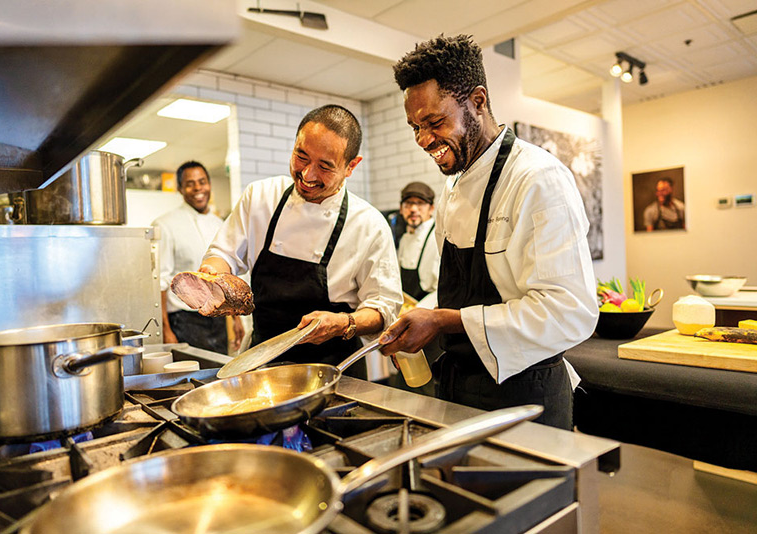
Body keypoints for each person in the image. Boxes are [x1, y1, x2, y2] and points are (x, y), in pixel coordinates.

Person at [380, 35, 598, 429]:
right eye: (415, 127)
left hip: (525, 394)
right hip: (459, 386)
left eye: (434, 122)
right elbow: (459, 292)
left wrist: (444, 322)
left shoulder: (537, 179)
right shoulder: (451, 188)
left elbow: (569, 313)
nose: (423, 140)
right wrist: (421, 324)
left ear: (478, 102)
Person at [199, 105, 402, 378]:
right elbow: (223, 255)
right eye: (301, 156)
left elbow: (383, 308)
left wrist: (343, 323)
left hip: (336, 374)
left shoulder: (369, 224)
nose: (307, 175)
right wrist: (211, 276)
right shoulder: (260, 197)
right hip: (262, 367)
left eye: (325, 166)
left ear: (351, 166)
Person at [153, 161, 244, 353]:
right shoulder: (165, 225)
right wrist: (166, 330)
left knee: (219, 368)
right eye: (190, 183)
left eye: (202, 182)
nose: (197, 188)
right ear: (180, 189)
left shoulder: (219, 223)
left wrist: (236, 319)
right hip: (184, 320)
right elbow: (160, 282)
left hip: (218, 319)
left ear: (209, 184)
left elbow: (226, 276)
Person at [397, 181, 439, 301]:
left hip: (431, 306)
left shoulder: (438, 236)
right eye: (408, 203)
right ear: (401, 209)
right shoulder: (404, 239)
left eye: (420, 203)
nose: (413, 209)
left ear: (431, 208)